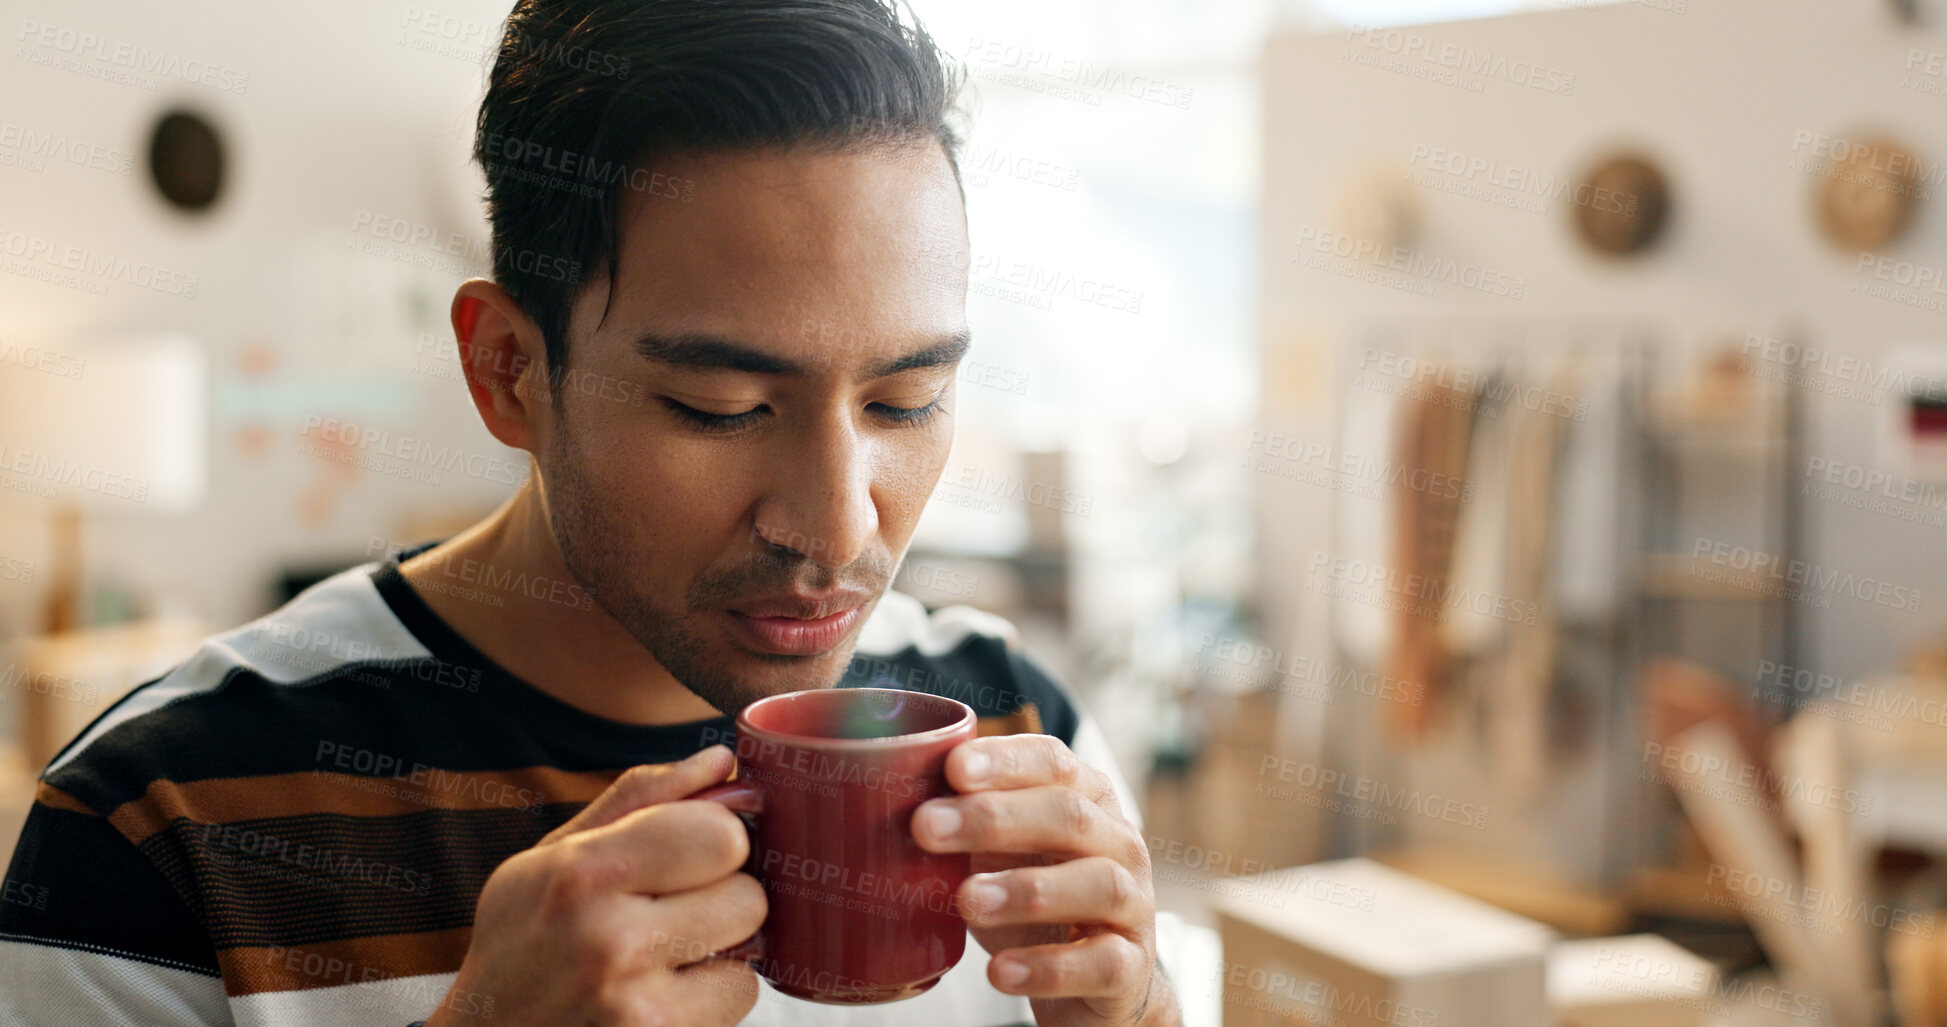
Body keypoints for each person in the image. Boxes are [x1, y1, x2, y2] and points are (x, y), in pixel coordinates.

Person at [0, 1, 1181, 1024]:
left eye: (908, 398)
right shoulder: (157, 824)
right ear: (511, 370)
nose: (836, 530)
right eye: (719, 406)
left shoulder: (1018, 724)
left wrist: (1139, 1012)